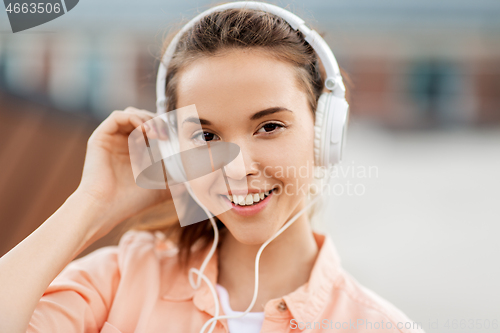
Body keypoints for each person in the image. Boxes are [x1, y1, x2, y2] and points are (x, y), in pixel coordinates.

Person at [0, 2, 426, 333]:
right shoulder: (118, 280)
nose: (237, 169)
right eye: (206, 137)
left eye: (269, 126)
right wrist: (92, 202)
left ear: (326, 133)